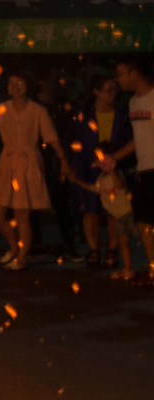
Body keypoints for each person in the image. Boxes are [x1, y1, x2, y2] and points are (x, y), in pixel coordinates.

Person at [0, 73, 66, 272]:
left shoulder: (38, 111)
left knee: (22, 214)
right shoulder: (1, 109)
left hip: (28, 162)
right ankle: (14, 246)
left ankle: (23, 257)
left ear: (28, 85)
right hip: (7, 162)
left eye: (20, 82)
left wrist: (63, 160)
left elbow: (51, 137)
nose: (15, 86)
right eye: (11, 83)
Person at [66, 74, 134, 273]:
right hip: (88, 165)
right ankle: (94, 248)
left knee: (113, 209)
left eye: (114, 89)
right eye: (108, 89)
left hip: (114, 164)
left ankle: (112, 250)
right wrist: (70, 162)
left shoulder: (122, 113)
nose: (112, 93)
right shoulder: (84, 113)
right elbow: (71, 137)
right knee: (90, 209)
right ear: (96, 91)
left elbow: (130, 138)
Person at [104, 58, 154, 285]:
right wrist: (113, 157)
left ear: (135, 73)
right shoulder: (134, 103)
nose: (118, 80)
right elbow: (138, 138)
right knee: (144, 222)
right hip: (143, 169)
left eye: (121, 74)